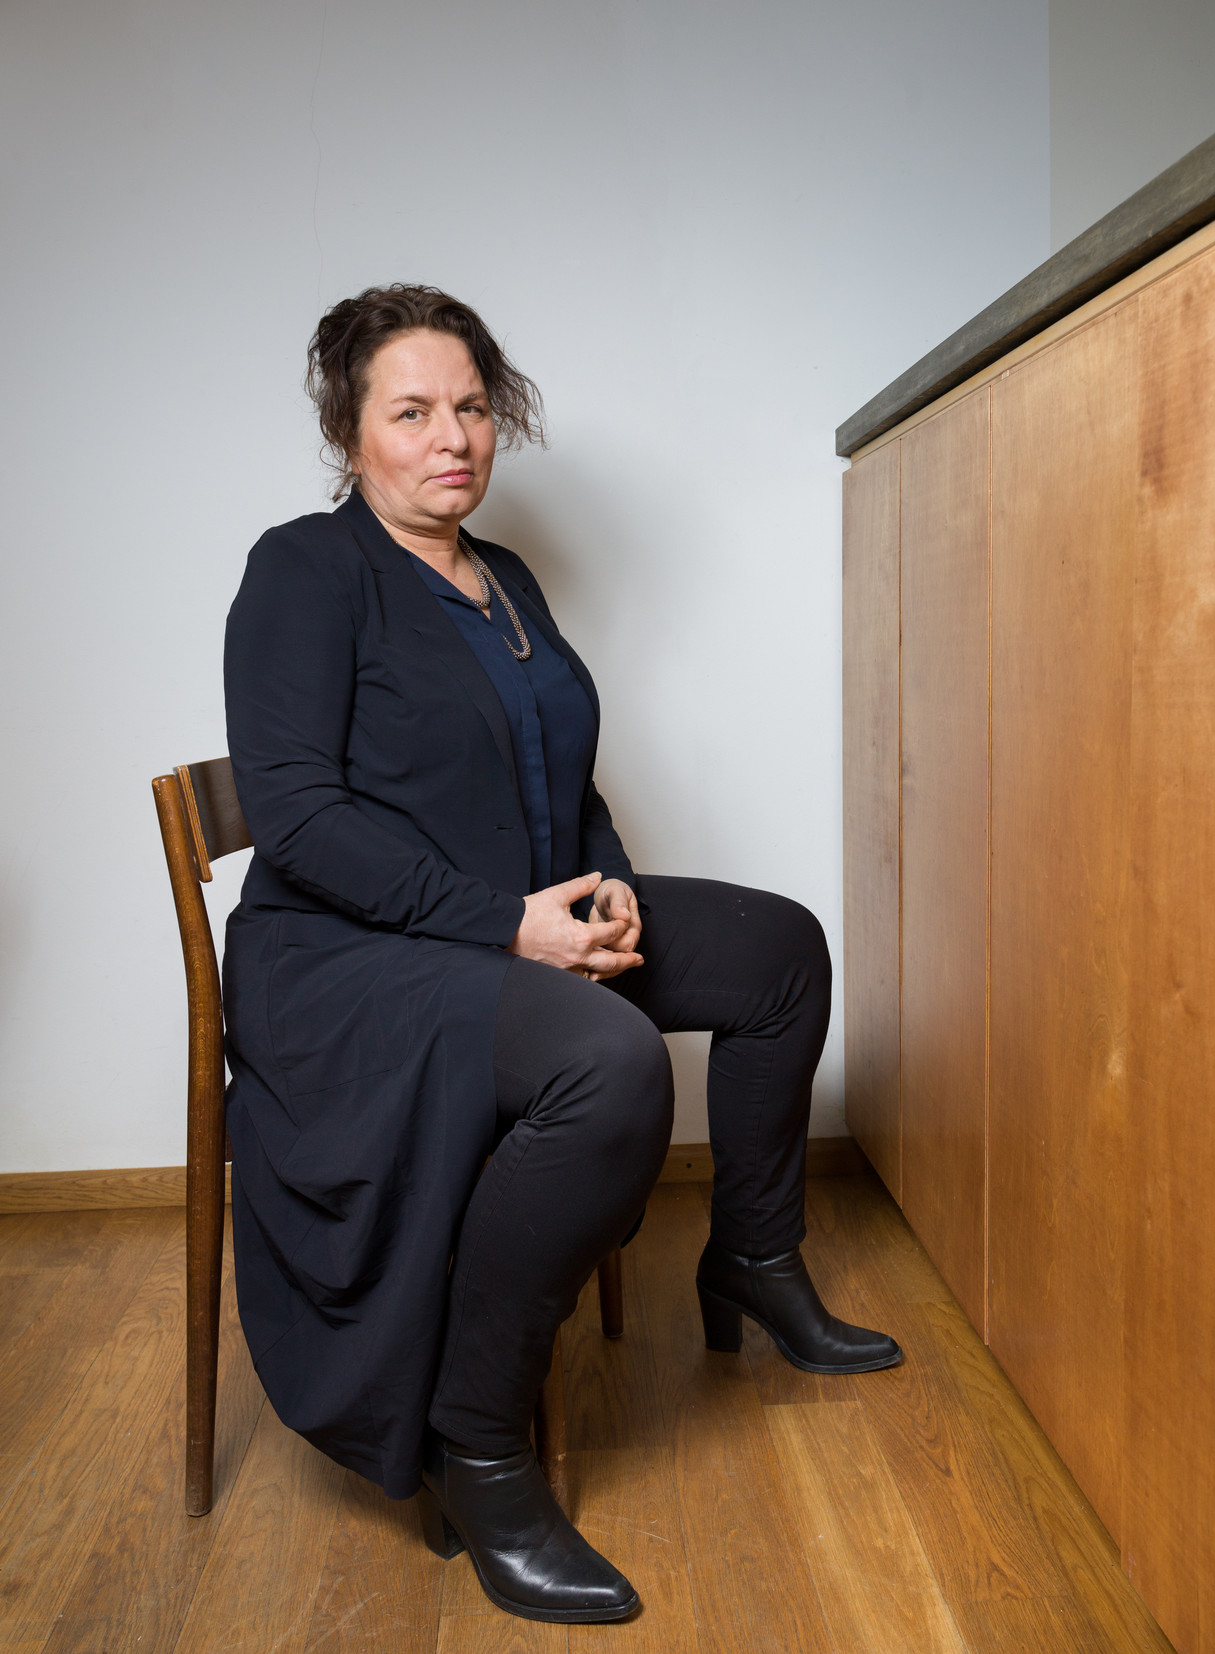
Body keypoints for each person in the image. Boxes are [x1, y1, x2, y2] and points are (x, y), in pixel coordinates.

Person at [222, 283, 901, 1626]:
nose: (450, 436)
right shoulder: (304, 572)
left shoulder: (506, 577)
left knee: (782, 951)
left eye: (469, 405)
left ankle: (752, 1260)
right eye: (410, 410)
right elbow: (300, 820)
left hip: (510, 917)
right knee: (610, 1068)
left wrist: (610, 887)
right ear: (349, 431)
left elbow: (557, 767)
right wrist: (511, 924)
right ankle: (482, 1446)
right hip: (348, 963)